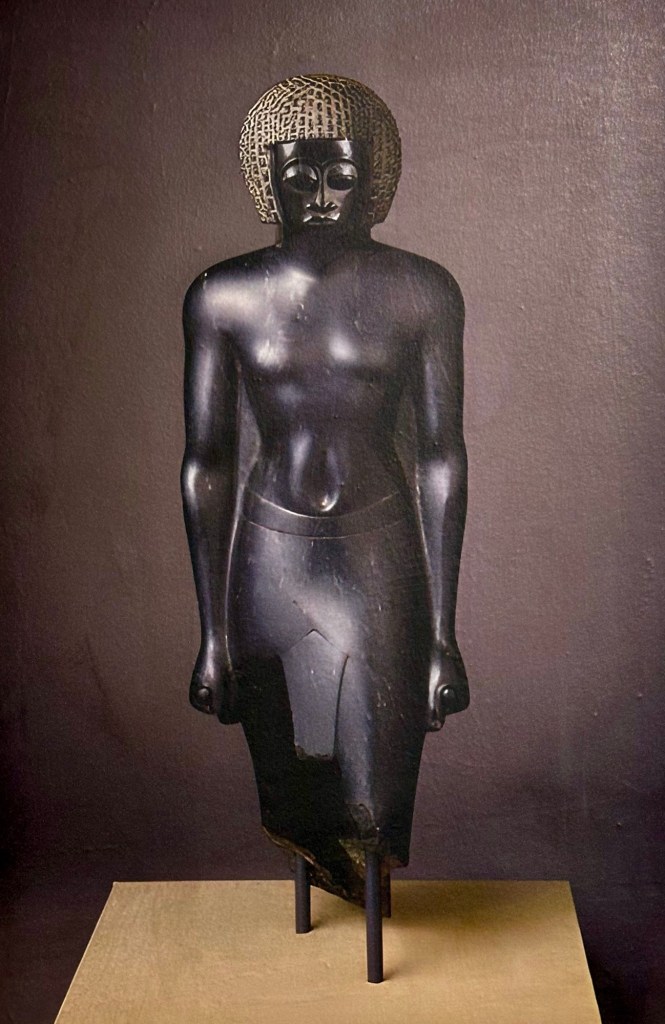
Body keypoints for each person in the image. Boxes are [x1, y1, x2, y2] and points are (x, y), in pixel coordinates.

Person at [181, 74, 469, 905]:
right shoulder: (223, 295)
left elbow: (441, 457)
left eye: (340, 174)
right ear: (263, 178)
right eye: (296, 174)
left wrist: (442, 636)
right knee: (293, 785)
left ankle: (365, 879)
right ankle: (320, 868)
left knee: (375, 793)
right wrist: (212, 636)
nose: (318, 194)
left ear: (372, 180)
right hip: (269, 554)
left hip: (378, 551)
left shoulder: (421, 291)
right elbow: (207, 462)